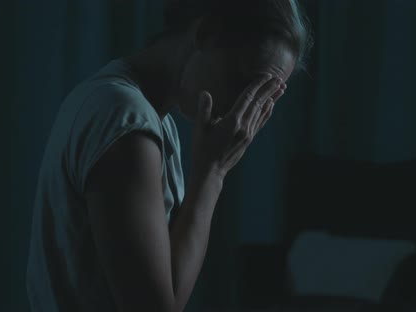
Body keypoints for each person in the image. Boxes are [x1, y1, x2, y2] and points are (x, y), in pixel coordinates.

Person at [25, 0, 313, 311]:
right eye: (243, 84)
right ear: (206, 34)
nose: (240, 112)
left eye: (260, 98)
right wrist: (212, 173)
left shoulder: (146, 119)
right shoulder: (126, 119)